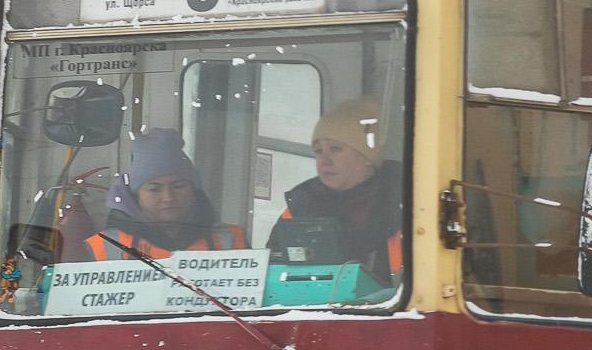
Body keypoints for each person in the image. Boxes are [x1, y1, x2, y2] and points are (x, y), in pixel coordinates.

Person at [273, 98, 405, 278]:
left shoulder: (405, 206)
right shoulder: (297, 210)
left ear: (367, 157)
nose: (324, 160)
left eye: (335, 149)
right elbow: (272, 274)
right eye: (318, 151)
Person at [83, 129, 241, 261]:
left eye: (178, 186)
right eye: (154, 189)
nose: (168, 197)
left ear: (193, 190)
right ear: (135, 195)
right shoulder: (103, 246)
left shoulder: (232, 241)